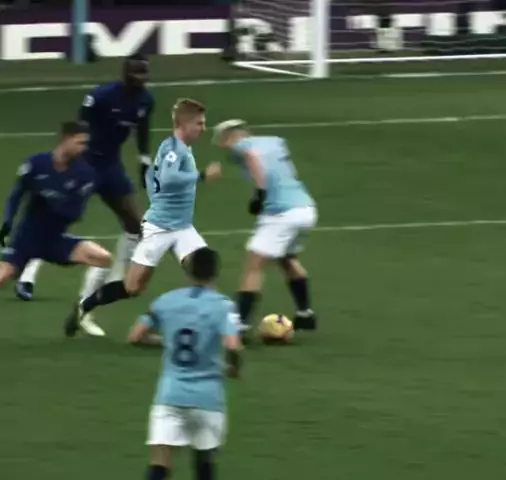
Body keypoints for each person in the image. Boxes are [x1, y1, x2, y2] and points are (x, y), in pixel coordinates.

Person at [17, 54, 154, 337]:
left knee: (135, 223)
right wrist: (69, 163)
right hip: (86, 163)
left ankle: (91, 300)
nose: (140, 79)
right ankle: (28, 272)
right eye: (136, 74)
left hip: (111, 166)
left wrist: (143, 158)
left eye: (144, 74)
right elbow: (78, 127)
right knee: (56, 220)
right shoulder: (101, 96)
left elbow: (142, 129)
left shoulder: (145, 100)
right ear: (125, 74)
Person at [64, 98, 221, 338]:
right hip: (159, 229)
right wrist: (200, 176)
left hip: (182, 228)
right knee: (132, 287)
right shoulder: (173, 150)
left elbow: (154, 179)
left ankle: (217, 326)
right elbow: (168, 178)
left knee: (203, 270)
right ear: (183, 124)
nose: (203, 128)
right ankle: (85, 306)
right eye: (199, 123)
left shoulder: (182, 149)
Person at [127, 247, 242, 480]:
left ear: (188, 270)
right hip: (208, 398)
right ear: (216, 272)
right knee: (204, 463)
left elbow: (135, 336)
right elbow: (233, 346)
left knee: (160, 464)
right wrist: (234, 368)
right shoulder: (223, 306)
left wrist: (166, 342)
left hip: (170, 395)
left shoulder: (165, 301)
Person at [212, 119, 318, 339]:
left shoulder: (240, 146)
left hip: (282, 212)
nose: (223, 146)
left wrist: (260, 193)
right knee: (287, 258)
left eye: (222, 141)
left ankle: (240, 325)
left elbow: (252, 157)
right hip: (305, 208)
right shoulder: (275, 142)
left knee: (254, 265)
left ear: (230, 137)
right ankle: (305, 314)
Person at [0, 121, 112, 288]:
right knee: (2, 276)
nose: (83, 148)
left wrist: (53, 199)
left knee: (103, 258)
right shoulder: (36, 163)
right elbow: (17, 195)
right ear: (66, 138)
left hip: (55, 240)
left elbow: (74, 213)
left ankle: (85, 303)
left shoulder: (85, 174)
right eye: (80, 143)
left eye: (86, 144)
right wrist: (7, 223)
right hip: (26, 239)